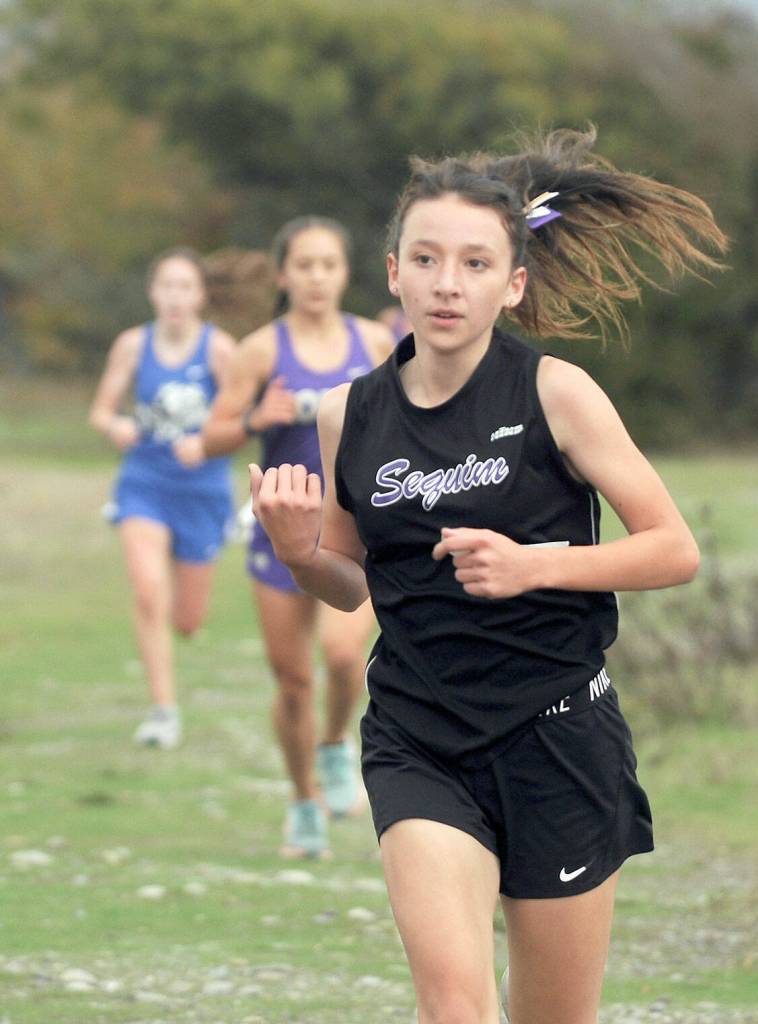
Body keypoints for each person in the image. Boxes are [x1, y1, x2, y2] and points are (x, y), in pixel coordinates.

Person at [249, 127, 728, 1023]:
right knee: (454, 1006)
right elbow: (351, 581)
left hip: (557, 738)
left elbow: (672, 548)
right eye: (425, 258)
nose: (445, 282)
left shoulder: (558, 393)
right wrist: (298, 552)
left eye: (473, 263)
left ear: (510, 284)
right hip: (419, 737)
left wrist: (535, 568)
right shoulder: (345, 413)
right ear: (392, 271)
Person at [202, 215, 393, 858]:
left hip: (352, 532)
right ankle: (303, 799)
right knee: (292, 682)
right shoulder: (258, 350)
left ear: (345, 273)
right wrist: (259, 417)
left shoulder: (374, 343)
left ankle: (337, 744)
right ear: (283, 274)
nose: (317, 277)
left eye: (329, 264)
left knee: (343, 659)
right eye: (304, 265)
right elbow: (212, 437)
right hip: (280, 532)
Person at [89, 248, 236, 750]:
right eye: (167, 286)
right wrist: (117, 425)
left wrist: (209, 440)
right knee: (148, 589)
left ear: (201, 295)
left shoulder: (220, 350)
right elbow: (101, 412)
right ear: (153, 292)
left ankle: (183, 622)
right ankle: (163, 711)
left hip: (203, 491)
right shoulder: (132, 345)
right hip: (144, 483)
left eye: (186, 286)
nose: (175, 296)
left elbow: (243, 422)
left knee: (187, 621)